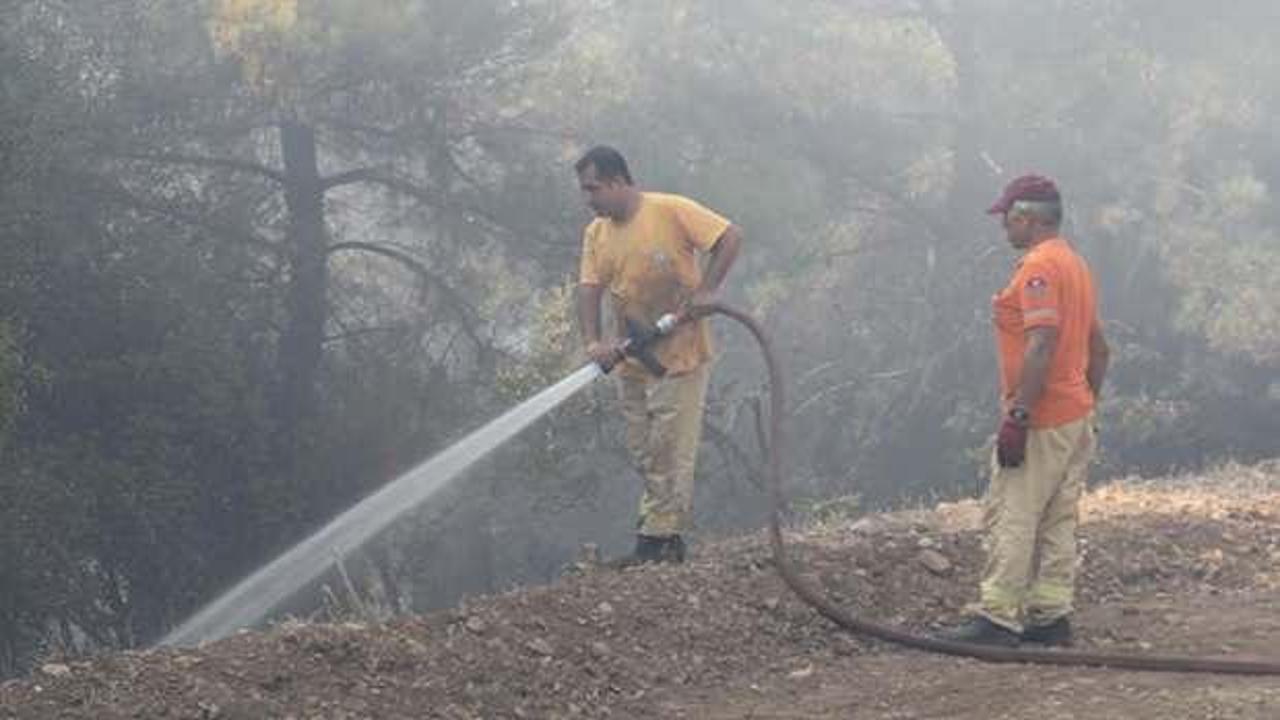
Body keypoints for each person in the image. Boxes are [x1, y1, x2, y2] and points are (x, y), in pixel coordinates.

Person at [945, 174, 1110, 647]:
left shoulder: (1038, 269)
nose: (1004, 229)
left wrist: (1020, 415)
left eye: (1008, 219)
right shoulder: (1075, 266)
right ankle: (1051, 616)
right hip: (1074, 415)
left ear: (1027, 217)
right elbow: (1100, 349)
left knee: (1015, 512)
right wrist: (1085, 407)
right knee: (1059, 518)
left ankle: (997, 616)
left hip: (1042, 417)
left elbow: (1041, 342)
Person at [575, 145, 743, 565]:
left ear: (617, 181)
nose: (588, 198)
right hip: (632, 356)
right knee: (643, 450)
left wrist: (706, 291)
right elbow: (589, 287)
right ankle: (655, 535)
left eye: (593, 188)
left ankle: (662, 542)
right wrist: (595, 341)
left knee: (670, 448)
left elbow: (729, 237)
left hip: (680, 355)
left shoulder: (669, 210)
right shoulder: (597, 233)